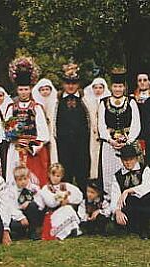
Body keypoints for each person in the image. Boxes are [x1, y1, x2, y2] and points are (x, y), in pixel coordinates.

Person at [5, 57, 50, 187]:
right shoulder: (12, 108)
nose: (23, 93)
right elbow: (8, 132)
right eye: (21, 90)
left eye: (26, 89)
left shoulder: (36, 108)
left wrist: (32, 145)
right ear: (17, 90)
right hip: (16, 148)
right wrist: (16, 140)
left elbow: (44, 135)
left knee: (33, 180)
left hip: (33, 150)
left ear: (30, 90)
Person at [98, 68, 141, 195]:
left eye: (120, 86)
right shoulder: (104, 102)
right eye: (115, 86)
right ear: (111, 87)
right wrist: (110, 140)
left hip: (126, 144)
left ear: (124, 87)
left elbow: (136, 124)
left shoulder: (131, 102)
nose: (118, 89)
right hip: (109, 145)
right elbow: (101, 124)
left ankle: (128, 197)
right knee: (109, 172)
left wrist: (127, 140)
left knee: (126, 171)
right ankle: (109, 198)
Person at [54, 63, 91, 192]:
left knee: (82, 176)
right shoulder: (57, 101)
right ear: (63, 84)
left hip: (82, 146)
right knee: (65, 175)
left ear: (78, 84)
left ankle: (84, 203)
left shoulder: (85, 100)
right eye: (67, 83)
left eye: (74, 83)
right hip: (63, 146)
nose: (70, 86)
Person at [110, 145, 150, 240]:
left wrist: (128, 191)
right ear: (121, 160)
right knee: (120, 224)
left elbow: (148, 186)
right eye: (125, 160)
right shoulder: (117, 175)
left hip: (147, 202)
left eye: (131, 159)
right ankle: (136, 225)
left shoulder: (144, 168)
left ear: (136, 158)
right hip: (131, 205)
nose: (128, 162)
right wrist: (117, 211)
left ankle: (145, 227)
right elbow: (115, 194)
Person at [37, 163, 83, 240]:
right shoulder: (46, 188)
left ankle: (72, 229)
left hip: (64, 210)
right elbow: (50, 202)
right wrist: (61, 199)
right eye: (53, 175)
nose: (55, 178)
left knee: (68, 208)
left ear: (61, 176)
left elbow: (79, 196)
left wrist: (68, 200)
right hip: (52, 214)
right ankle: (62, 233)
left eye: (58, 176)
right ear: (49, 175)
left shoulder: (65, 185)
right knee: (67, 210)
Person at [83, 77, 110, 178]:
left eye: (100, 87)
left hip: (105, 132)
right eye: (95, 87)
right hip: (91, 133)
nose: (98, 90)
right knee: (93, 155)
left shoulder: (109, 100)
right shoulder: (87, 100)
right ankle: (93, 177)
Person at [7, 166, 43, 240]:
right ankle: (21, 233)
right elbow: (11, 207)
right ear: (15, 180)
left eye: (25, 179)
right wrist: (21, 217)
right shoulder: (11, 191)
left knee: (33, 205)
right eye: (20, 180)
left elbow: (41, 201)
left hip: (32, 213)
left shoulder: (34, 188)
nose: (23, 182)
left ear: (28, 178)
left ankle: (32, 232)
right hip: (18, 214)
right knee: (13, 224)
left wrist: (29, 202)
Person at [32, 78, 59, 163]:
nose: (45, 91)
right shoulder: (35, 103)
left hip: (52, 130)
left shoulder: (56, 102)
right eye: (42, 90)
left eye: (47, 89)